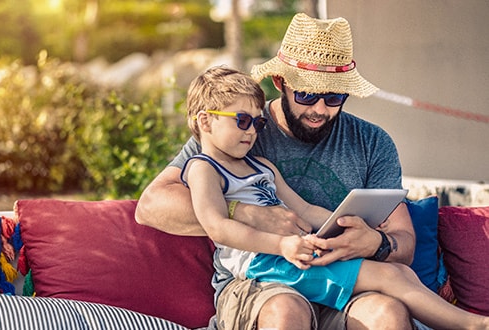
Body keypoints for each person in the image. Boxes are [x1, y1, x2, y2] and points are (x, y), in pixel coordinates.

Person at [136, 13, 419, 329]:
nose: (320, 110)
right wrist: (246, 212)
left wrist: (376, 243)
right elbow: (152, 206)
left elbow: (404, 242)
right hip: (260, 282)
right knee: (285, 312)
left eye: (334, 97)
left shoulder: (372, 142)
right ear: (280, 83)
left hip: (340, 279)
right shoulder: (241, 127)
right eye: (307, 95)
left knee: (388, 315)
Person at [180, 66, 489, 330]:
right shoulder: (204, 167)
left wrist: (344, 228)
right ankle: (473, 324)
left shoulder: (262, 165)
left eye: (333, 98)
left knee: (397, 279)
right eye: (242, 122)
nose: (252, 133)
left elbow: (304, 209)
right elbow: (215, 226)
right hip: (266, 265)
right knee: (381, 278)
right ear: (280, 82)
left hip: (301, 255)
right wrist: (278, 240)